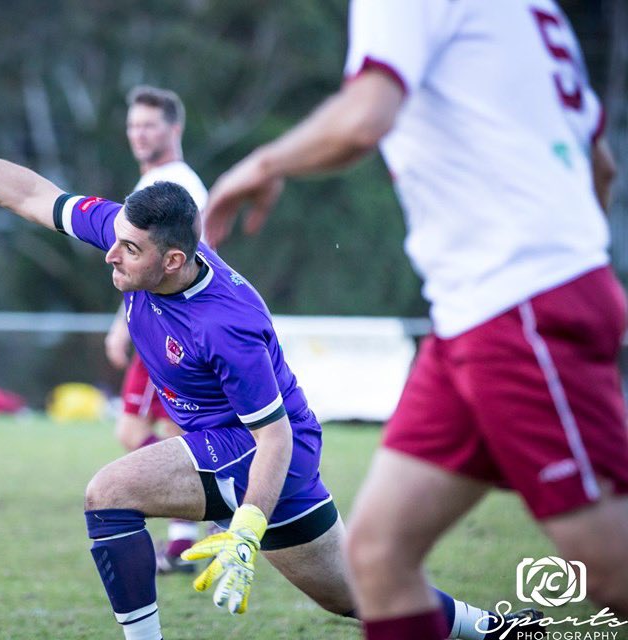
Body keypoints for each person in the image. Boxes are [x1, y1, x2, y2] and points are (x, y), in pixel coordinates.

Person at [0, 95, 539, 640]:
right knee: (359, 596)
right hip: (236, 450)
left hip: (262, 452)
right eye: (116, 241)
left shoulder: (227, 322)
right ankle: (500, 630)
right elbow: (32, 196)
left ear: (173, 262)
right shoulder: (135, 235)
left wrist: (246, 527)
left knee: (108, 492)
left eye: (129, 251)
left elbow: (274, 436)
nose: (112, 255)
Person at [201, 1, 628, 637]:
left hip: (517, 307)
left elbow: (364, 118)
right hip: (477, 315)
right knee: (377, 557)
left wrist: (263, 163)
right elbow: (600, 168)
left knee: (610, 569)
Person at [106, 85, 210, 573]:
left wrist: (122, 326)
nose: (139, 134)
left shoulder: (174, 183)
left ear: (175, 129)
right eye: (133, 125)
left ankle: (217, 502)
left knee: (131, 431)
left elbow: (153, 266)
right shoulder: (162, 180)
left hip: (166, 325)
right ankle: (183, 543)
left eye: (149, 125)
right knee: (173, 432)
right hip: (170, 323)